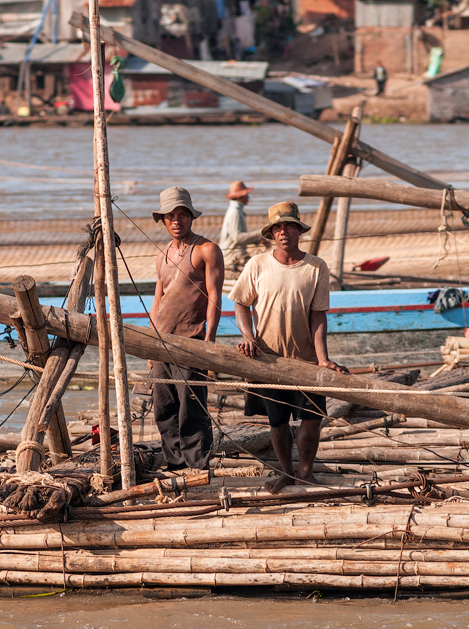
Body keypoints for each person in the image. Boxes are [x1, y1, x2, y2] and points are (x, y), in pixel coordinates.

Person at [229, 201, 349, 494]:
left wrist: (323, 358)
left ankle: (305, 473)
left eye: (289, 226)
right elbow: (241, 303)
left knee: (311, 419)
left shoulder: (316, 267)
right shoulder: (257, 264)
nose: (284, 232)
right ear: (271, 233)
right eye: (278, 227)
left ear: (298, 230)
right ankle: (286, 472)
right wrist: (248, 337)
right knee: (277, 420)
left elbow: (318, 314)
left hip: (305, 359)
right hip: (269, 360)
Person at [149, 187, 225, 471]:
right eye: (170, 216)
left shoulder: (206, 250)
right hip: (161, 343)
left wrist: (209, 338)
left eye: (182, 214)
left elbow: (215, 296)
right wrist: (150, 341)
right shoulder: (162, 255)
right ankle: (175, 464)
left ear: (191, 216)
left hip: (191, 340)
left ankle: (197, 466)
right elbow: (159, 299)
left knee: (190, 409)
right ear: (163, 220)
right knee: (164, 409)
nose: (176, 220)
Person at [219, 180, 253, 267]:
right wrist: (260, 234)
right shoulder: (235, 213)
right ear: (240, 196)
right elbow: (237, 238)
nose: (248, 197)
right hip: (232, 256)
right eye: (246, 195)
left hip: (235, 253)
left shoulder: (236, 211)